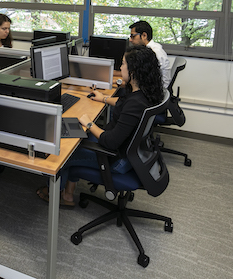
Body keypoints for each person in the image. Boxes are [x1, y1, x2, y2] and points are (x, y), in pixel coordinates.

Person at [36, 46, 163, 207]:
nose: (120, 67)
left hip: (115, 158)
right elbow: (124, 105)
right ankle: (68, 194)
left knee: (62, 154)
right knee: (74, 135)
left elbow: (110, 141)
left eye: (123, 64)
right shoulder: (143, 94)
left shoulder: (135, 103)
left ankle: (55, 193)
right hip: (128, 151)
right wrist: (103, 99)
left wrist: (89, 123)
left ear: (134, 71)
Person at [128, 20, 171, 88]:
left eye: (133, 36)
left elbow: (142, 79)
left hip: (156, 90)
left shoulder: (154, 53)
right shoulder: (151, 48)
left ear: (144, 35)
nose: (130, 40)